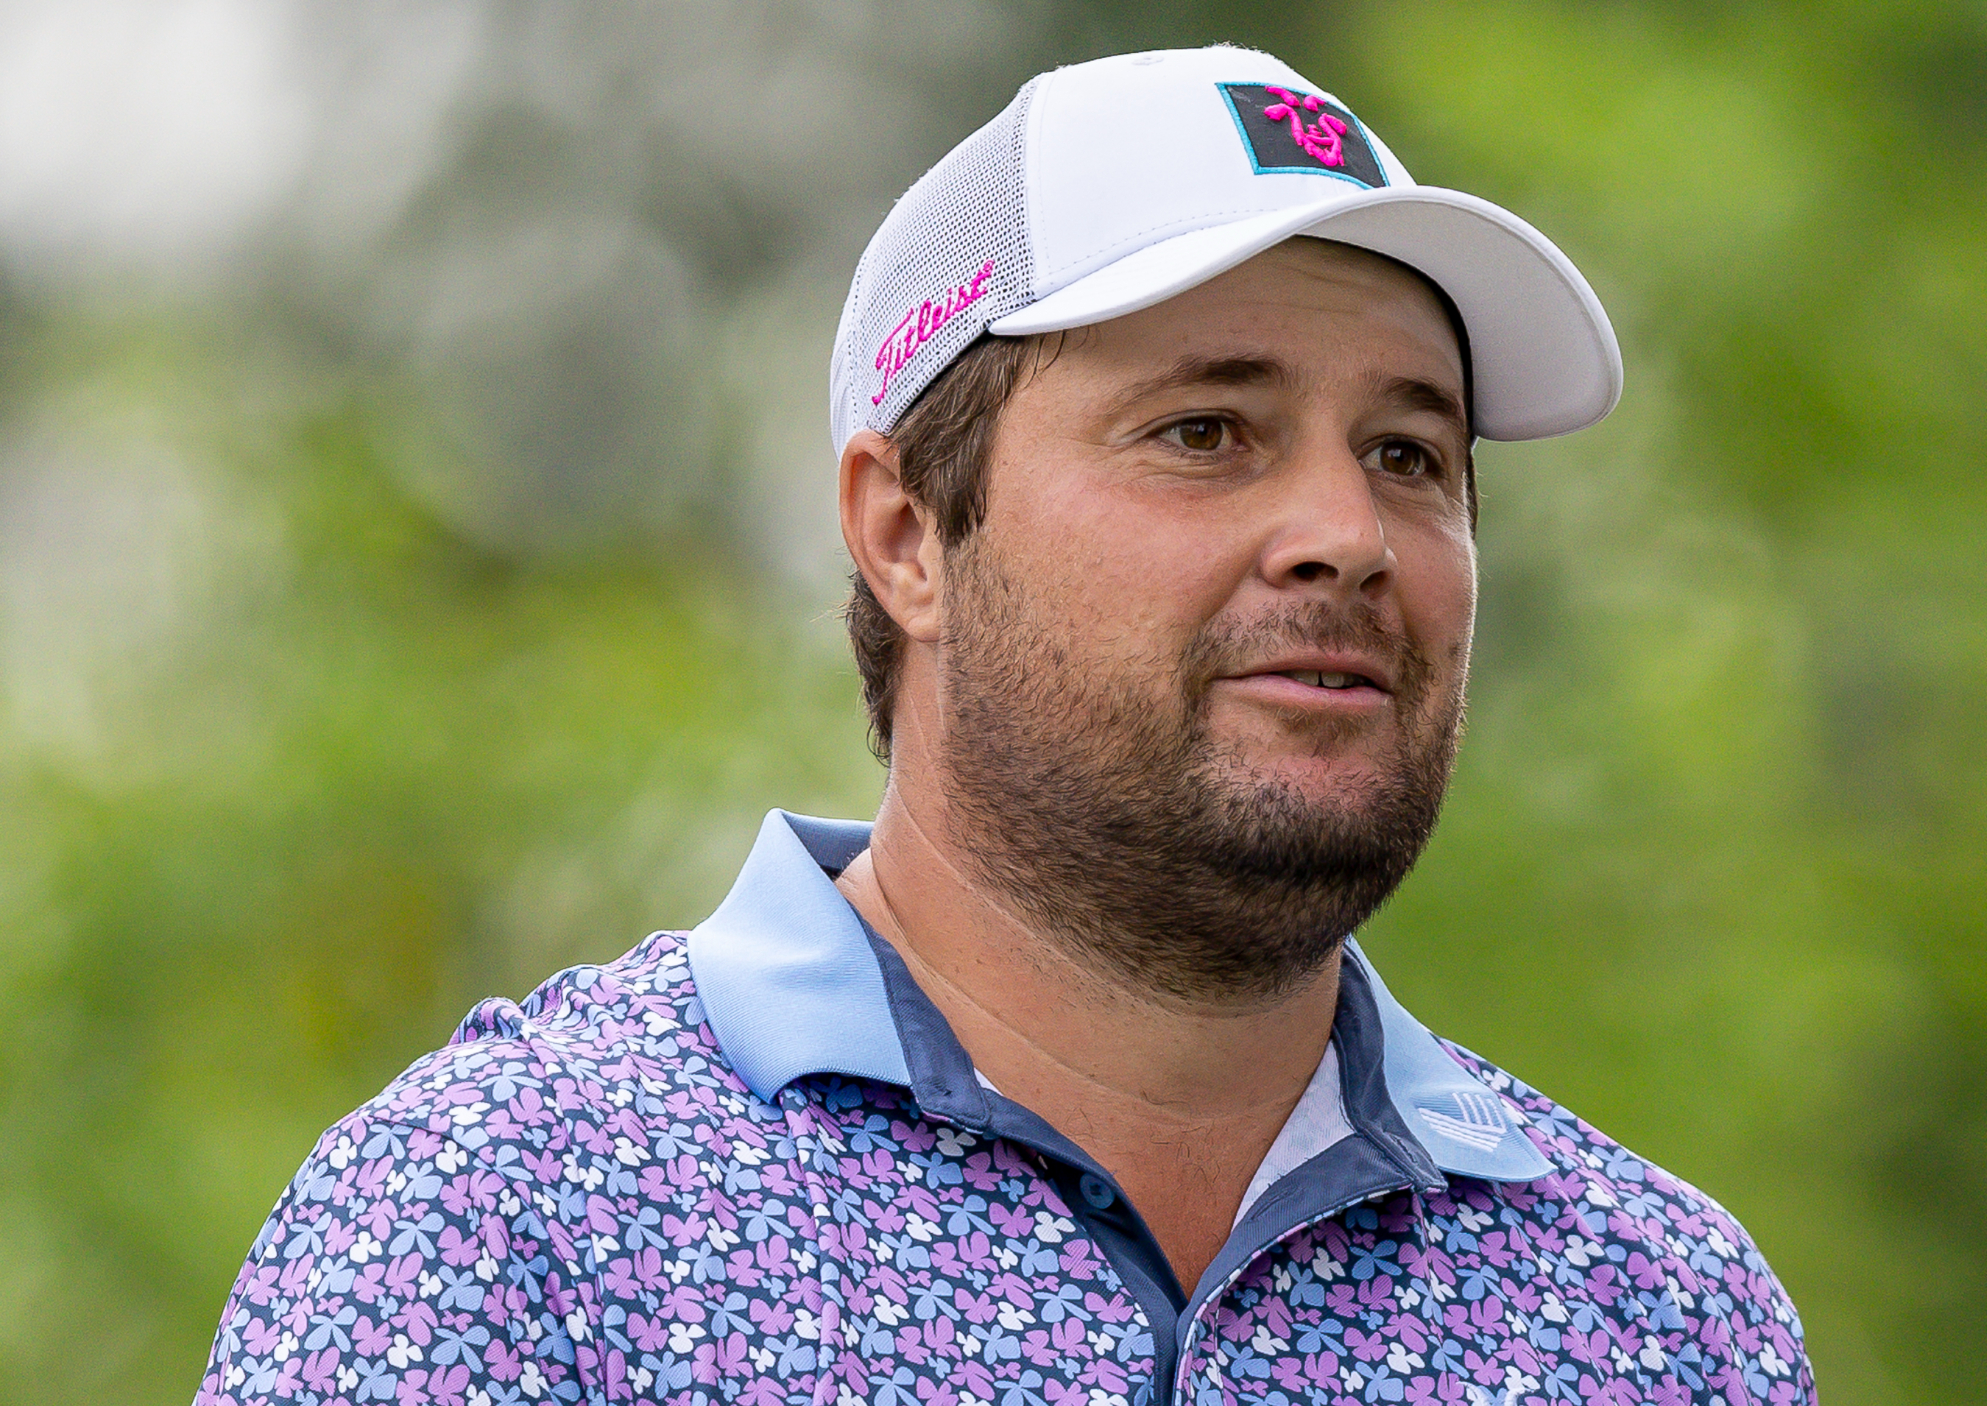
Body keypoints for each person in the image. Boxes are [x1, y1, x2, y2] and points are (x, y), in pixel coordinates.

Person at [198, 46, 1813, 1406]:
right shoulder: (507, 1224)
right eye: (1207, 429)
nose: (1347, 531)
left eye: (1409, 453)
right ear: (907, 533)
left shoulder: (1659, 1316)